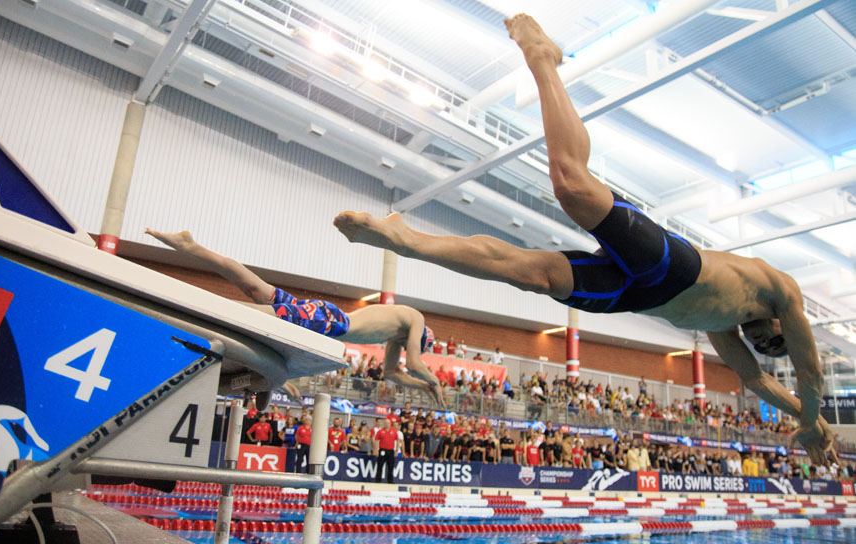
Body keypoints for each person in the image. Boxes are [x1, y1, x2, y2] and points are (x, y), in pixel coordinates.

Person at [333, 13, 835, 466]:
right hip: (672, 266)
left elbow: (755, 379)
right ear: (786, 325)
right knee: (572, 185)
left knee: (535, 276)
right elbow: (811, 374)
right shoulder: (778, 287)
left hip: (635, 296)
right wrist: (813, 415)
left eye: (765, 346)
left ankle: (408, 240)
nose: (763, 342)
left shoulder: (725, 326)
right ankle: (543, 58)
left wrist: (806, 419)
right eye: (776, 340)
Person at [145, 229, 445, 407]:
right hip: (328, 321)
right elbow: (414, 364)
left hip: (325, 316)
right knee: (249, 314)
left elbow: (393, 373)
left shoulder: (396, 335)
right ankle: (192, 306)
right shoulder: (414, 317)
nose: (409, 348)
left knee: (255, 288)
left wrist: (422, 387)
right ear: (422, 337)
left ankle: (192, 246)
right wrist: (434, 380)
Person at [374, 419, 400, 484]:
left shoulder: (394, 431)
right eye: (385, 423)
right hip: (382, 450)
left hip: (390, 451)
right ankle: (378, 480)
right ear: (384, 424)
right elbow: (376, 440)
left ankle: (390, 480)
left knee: (391, 466)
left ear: (390, 424)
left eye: (388, 423)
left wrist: (396, 450)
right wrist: (376, 450)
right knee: (380, 465)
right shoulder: (380, 431)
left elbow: (398, 440)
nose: (387, 424)